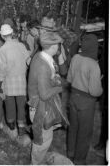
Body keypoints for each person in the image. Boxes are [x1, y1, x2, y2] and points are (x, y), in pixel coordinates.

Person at [28, 31, 67, 164]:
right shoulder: (43, 65)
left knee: (43, 139)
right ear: (53, 46)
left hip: (40, 106)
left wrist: (54, 79)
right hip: (41, 109)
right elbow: (44, 94)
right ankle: (36, 163)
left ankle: (38, 160)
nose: (59, 47)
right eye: (58, 44)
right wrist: (62, 87)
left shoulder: (40, 56)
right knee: (43, 141)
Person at [67, 34, 103, 165]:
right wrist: (101, 89)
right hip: (87, 102)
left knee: (73, 128)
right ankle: (79, 160)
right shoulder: (94, 65)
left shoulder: (75, 57)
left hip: (73, 98)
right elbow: (95, 91)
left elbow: (69, 79)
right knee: (84, 132)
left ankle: (70, 154)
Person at [0, 24, 30, 138]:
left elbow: (2, 69)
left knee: (9, 103)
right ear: (12, 33)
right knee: (21, 105)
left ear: (2, 36)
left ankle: (11, 126)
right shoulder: (21, 46)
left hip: (9, 80)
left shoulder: (2, 49)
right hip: (21, 79)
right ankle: (21, 129)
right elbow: (28, 61)